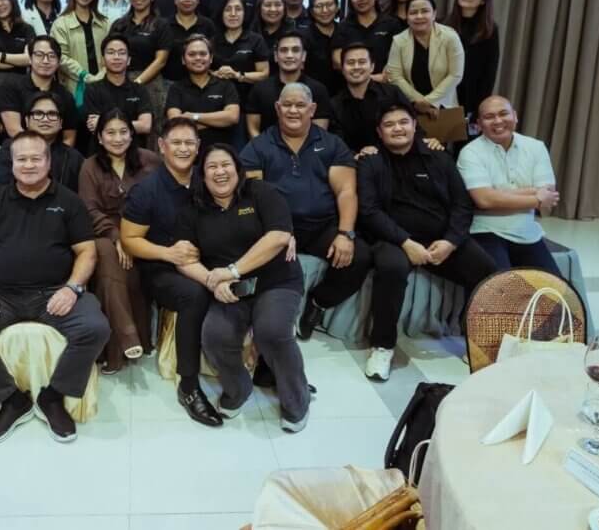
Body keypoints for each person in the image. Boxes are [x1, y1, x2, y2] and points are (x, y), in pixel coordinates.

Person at [0, 130, 110, 445]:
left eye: (36, 158)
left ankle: (54, 396)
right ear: (12, 163)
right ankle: (10, 399)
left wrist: (72, 289)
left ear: (48, 161)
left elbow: (87, 251)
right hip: (3, 295)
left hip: (55, 292)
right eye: (22, 159)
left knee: (95, 328)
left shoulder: (68, 201)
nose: (29, 165)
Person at [176, 144, 310, 431]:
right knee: (214, 336)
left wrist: (232, 271)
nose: (220, 172)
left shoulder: (261, 193)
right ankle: (238, 389)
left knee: (272, 332)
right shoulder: (193, 207)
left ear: (238, 168)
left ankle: (297, 401)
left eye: (226, 164)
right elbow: (184, 259)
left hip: (276, 281)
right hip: (228, 289)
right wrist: (213, 280)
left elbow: (278, 236)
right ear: (202, 173)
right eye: (212, 166)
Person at [357, 103, 496, 380]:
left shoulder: (438, 156)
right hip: (392, 238)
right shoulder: (370, 162)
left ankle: (478, 341)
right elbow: (369, 211)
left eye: (403, 122)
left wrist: (451, 242)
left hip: (440, 238)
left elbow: (462, 205)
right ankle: (382, 346)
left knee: (487, 270)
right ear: (379, 132)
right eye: (389, 124)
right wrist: (406, 242)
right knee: (391, 268)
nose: (397, 128)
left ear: (413, 125)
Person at [240, 82, 372, 341]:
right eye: (287, 105)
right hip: (277, 228)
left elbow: (346, 191)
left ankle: (318, 304)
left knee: (361, 257)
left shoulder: (332, 144)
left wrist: (345, 233)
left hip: (321, 227)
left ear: (312, 109)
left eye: (300, 105)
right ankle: (267, 326)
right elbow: (254, 196)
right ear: (277, 108)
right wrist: (277, 233)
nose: (293, 110)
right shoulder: (258, 147)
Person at [121, 117, 221, 427]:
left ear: (198, 147)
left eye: (189, 143)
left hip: (207, 259)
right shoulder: (146, 190)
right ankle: (188, 386)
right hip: (160, 268)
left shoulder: (210, 181)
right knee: (194, 294)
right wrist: (168, 252)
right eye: (175, 142)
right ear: (161, 147)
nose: (183, 148)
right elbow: (130, 240)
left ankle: (267, 364)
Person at [79, 111, 159, 373]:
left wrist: (133, 239)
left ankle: (113, 354)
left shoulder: (150, 161)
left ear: (132, 134)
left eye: (123, 132)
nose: (117, 138)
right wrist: (116, 238)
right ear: (100, 137)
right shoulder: (89, 166)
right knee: (105, 255)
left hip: (143, 234)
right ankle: (129, 337)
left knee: (117, 273)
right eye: (110, 133)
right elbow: (89, 210)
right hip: (105, 234)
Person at [456, 95, 563, 275]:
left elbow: (549, 194)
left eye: (503, 114)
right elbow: (484, 200)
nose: (498, 121)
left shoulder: (536, 147)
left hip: (527, 231)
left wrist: (498, 195)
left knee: (553, 292)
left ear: (515, 116)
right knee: (499, 287)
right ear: (479, 124)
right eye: (489, 117)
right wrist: (535, 197)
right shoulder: (470, 153)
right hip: (484, 230)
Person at [386, 0, 465, 118]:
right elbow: (395, 76)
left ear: (434, 14)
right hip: (410, 107)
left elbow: (455, 74)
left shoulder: (450, 36)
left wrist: (429, 102)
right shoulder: (399, 40)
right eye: (413, 12)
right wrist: (419, 102)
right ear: (407, 16)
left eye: (425, 11)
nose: (419, 16)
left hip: (444, 106)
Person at [109, 0, 172, 129]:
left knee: (152, 131)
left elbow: (161, 61)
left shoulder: (161, 24)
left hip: (151, 84)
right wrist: (123, 84)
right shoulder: (119, 24)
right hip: (119, 83)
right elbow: (108, 55)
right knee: (119, 126)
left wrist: (136, 83)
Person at [329, 43, 415, 156]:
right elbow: (336, 143)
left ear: (372, 67)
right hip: (355, 162)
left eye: (362, 62)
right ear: (343, 69)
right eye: (350, 63)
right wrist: (357, 155)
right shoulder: (335, 104)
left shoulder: (392, 93)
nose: (356, 67)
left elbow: (413, 126)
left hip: (395, 158)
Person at [0, 92, 85, 192]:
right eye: (38, 114)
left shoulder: (74, 158)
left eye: (52, 114)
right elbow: (0, 191)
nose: (45, 119)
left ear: (61, 123)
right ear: (27, 121)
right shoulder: (10, 148)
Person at [246, 31, 332, 138]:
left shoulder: (318, 90)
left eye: (295, 50)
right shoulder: (259, 89)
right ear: (276, 56)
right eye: (283, 50)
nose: (289, 55)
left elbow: (320, 132)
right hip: (265, 152)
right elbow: (253, 129)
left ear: (304, 56)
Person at [442, 0, 500, 127]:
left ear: (483, 0)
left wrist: (479, 110)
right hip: (442, 98)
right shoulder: (441, 24)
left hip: (470, 101)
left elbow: (489, 74)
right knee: (436, 147)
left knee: (464, 148)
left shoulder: (490, 30)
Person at [0, 36, 78, 145]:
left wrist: (56, 158)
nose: (45, 61)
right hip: (19, 150)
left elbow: (69, 138)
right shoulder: (11, 86)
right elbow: (14, 130)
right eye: (39, 55)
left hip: (55, 155)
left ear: (59, 62)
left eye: (51, 56)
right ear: (30, 59)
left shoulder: (65, 95)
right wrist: (39, 153)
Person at [165, 34, 240, 147]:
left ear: (211, 58)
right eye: (192, 54)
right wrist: (218, 122)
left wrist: (194, 117)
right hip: (187, 154)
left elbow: (232, 117)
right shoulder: (176, 88)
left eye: (203, 54)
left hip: (221, 154)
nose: (198, 58)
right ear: (183, 60)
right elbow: (176, 122)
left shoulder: (226, 85)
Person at [83, 36, 153, 149]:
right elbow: (93, 126)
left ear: (129, 60)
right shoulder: (92, 90)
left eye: (121, 53)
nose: (116, 57)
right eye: (111, 52)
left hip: (134, 154)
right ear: (103, 59)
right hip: (101, 154)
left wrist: (103, 123)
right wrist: (133, 125)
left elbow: (146, 126)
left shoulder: (139, 90)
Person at [50, 0, 110, 99]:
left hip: (103, 86)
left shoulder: (105, 23)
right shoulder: (61, 24)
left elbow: (111, 52)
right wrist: (85, 76)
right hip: (74, 89)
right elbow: (61, 57)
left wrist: (102, 74)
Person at [330, 0, 403, 74]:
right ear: (350, 0)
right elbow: (337, 61)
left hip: (384, 84)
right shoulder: (343, 26)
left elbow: (399, 59)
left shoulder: (392, 24)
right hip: (351, 83)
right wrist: (365, 78)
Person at [211, 0, 270, 115]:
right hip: (217, 102)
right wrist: (215, 74)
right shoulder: (212, 41)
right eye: (228, 9)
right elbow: (205, 70)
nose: (233, 14)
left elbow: (264, 74)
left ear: (245, 13)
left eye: (238, 9)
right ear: (221, 13)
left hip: (249, 103)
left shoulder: (256, 40)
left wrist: (237, 75)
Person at [164, 0, 215, 83]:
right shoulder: (164, 25)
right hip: (169, 84)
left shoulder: (208, 25)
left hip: (201, 83)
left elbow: (212, 57)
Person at [304, 0, 343, 95]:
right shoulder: (303, 37)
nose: (325, 10)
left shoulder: (346, 31)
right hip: (312, 95)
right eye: (319, 6)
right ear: (311, 11)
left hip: (344, 96)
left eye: (329, 5)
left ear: (337, 6)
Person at [251, 0, 286, 70]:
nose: (273, 9)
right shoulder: (249, 34)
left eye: (278, 5)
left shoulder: (294, 34)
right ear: (259, 7)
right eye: (267, 5)